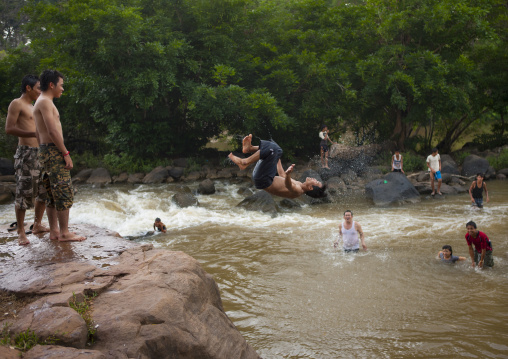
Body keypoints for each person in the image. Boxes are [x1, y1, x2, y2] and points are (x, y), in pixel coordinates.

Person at [33, 70, 86, 242]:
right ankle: (64, 232)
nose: (62, 89)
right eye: (61, 85)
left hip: (45, 150)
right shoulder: (46, 102)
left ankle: (55, 231)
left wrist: (43, 151)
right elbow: (52, 130)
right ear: (51, 85)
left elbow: (37, 132)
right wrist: (65, 153)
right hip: (52, 151)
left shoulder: (40, 102)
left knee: (51, 192)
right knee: (63, 190)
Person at [5, 75, 50, 245]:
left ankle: (37, 225)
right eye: (39, 88)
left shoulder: (34, 106)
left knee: (44, 190)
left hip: (41, 152)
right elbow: (9, 129)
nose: (41, 91)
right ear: (28, 88)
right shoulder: (17, 103)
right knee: (24, 193)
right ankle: (21, 232)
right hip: (26, 153)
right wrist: (33, 134)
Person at [228, 134, 326, 199]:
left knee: (274, 148)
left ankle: (245, 162)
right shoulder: (300, 184)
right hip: (263, 178)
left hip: (263, 179)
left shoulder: (298, 190)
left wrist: (288, 174)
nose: (315, 179)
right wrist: (277, 158)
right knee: (277, 150)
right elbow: (282, 174)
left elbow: (288, 185)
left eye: (316, 182)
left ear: (310, 188)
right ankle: (249, 149)